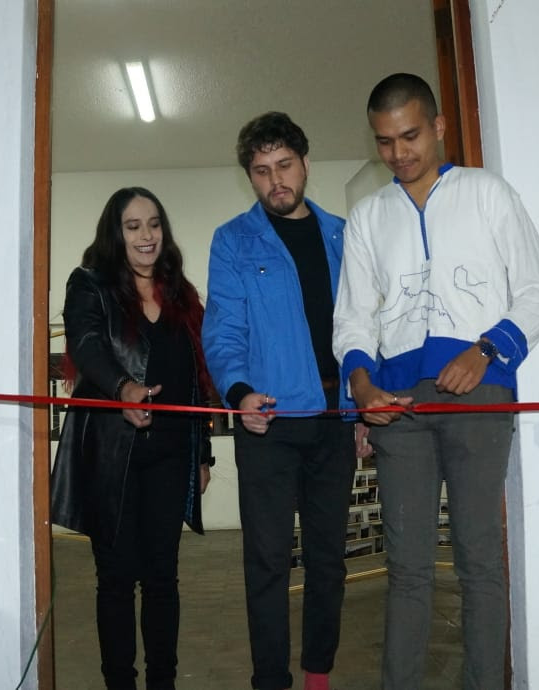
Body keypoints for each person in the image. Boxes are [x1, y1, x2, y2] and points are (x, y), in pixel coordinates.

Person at [332, 73, 539, 689]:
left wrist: (486, 351)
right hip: (396, 405)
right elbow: (352, 316)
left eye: (409, 136)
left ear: (437, 126)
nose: (398, 153)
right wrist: (361, 386)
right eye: (384, 141)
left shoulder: (488, 193)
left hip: (480, 396)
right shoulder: (367, 217)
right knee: (407, 569)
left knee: (479, 560)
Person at [202, 111, 358, 690]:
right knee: (267, 561)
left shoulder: (345, 235)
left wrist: (362, 408)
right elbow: (223, 331)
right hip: (267, 423)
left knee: (328, 559)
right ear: (249, 175)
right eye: (261, 171)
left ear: (305, 163)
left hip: (335, 420)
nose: (275, 181)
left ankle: (318, 674)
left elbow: (365, 327)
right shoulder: (232, 241)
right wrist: (239, 393)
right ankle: (270, 679)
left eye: (284, 165)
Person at [51, 187, 214, 690]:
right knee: (117, 578)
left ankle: (163, 682)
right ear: (115, 233)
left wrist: (203, 452)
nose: (147, 235)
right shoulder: (90, 284)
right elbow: (86, 344)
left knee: (163, 577)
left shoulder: (181, 294)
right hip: (111, 455)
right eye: (133, 225)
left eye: (154, 224)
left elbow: (196, 377)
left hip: (171, 454)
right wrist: (123, 388)